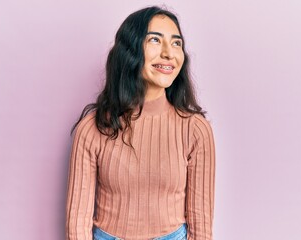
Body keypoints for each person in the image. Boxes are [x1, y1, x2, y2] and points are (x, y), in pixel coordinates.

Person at [65, 6, 215, 240]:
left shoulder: (195, 130)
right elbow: (77, 222)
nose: (169, 53)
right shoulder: (92, 128)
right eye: (155, 40)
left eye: (176, 43)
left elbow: (201, 225)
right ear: (130, 50)